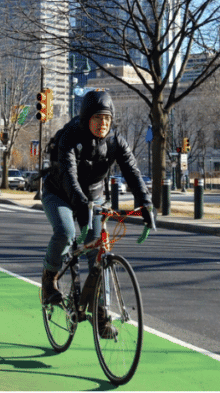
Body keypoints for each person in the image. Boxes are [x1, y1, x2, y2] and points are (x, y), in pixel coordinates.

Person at [40, 90, 155, 337]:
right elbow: (70, 177)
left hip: (93, 198)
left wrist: (146, 204)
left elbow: (133, 173)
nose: (103, 124)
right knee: (66, 231)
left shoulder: (116, 142)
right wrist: (80, 204)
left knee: (98, 252)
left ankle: (100, 314)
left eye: (107, 119)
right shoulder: (70, 137)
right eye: (97, 118)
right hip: (59, 192)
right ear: (86, 118)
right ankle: (49, 279)